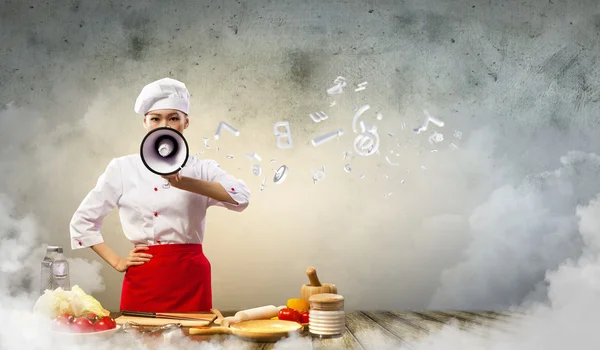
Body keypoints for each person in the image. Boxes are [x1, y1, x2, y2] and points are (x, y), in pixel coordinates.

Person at [69, 77, 250, 313]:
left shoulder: (203, 168)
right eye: (156, 118)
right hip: (145, 276)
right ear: (145, 122)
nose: (164, 125)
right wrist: (118, 262)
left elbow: (241, 197)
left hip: (191, 276)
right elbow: (82, 222)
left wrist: (184, 182)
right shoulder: (123, 168)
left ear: (186, 122)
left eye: (173, 118)